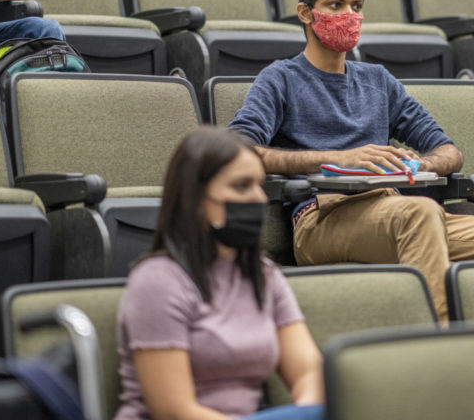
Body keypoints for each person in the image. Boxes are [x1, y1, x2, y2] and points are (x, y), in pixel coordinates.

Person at [228, 0, 474, 323]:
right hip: (322, 219)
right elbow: (236, 149)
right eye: (335, 5)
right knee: (420, 213)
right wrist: (336, 159)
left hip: (397, 210)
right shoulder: (280, 77)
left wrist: (421, 164)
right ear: (305, 13)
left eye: (356, 6)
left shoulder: (377, 80)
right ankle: (437, 352)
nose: (349, 14)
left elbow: (450, 151)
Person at [115, 127, 324, 420]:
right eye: (241, 186)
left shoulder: (263, 274)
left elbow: (308, 371)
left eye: (259, 185)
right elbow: (174, 410)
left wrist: (307, 411)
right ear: (196, 199)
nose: (259, 199)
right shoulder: (158, 281)